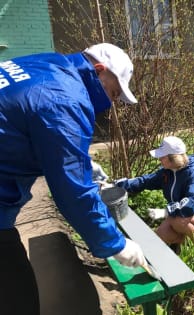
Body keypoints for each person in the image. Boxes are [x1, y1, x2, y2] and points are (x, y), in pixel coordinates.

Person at [0, 43, 147, 315]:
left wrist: (83, 163)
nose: (111, 103)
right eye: (113, 93)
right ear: (99, 71)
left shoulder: (46, 63)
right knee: (18, 301)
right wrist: (116, 244)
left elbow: (26, 118)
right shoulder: (66, 98)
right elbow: (74, 193)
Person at [115, 136, 194, 253]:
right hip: (179, 213)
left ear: (173, 158)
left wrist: (165, 212)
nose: (159, 159)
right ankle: (182, 246)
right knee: (162, 234)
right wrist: (120, 184)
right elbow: (145, 181)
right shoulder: (167, 173)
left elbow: (191, 203)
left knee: (177, 220)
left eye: (162, 157)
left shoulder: (193, 174)